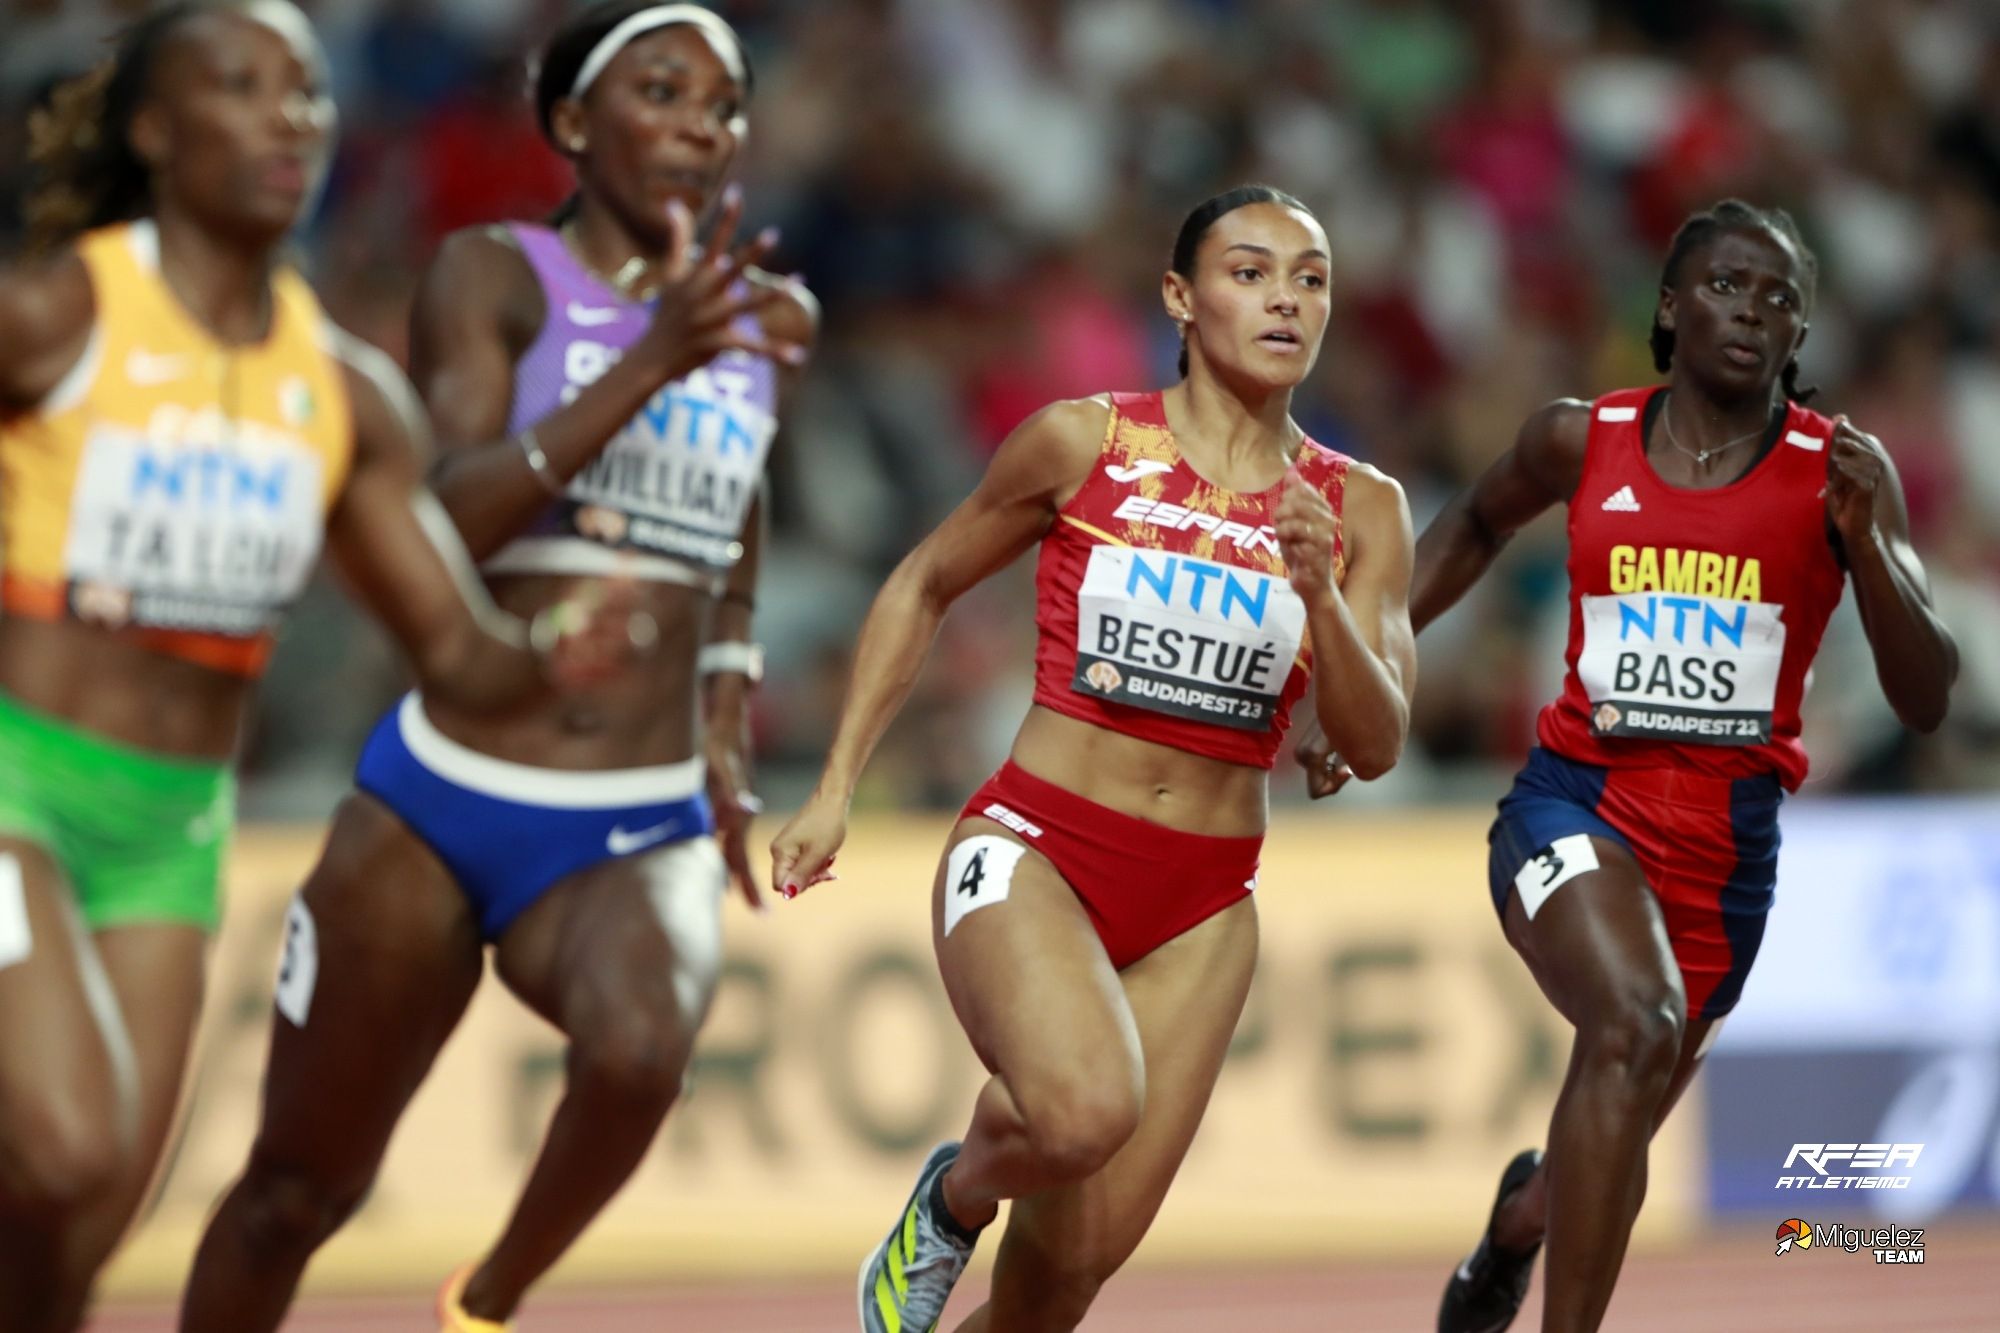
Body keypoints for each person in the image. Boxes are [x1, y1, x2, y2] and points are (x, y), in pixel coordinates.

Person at [0, 3, 646, 1329]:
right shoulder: (55, 313)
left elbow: (459, 655)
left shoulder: (341, 390)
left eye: (304, 91)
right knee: (61, 1146)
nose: (289, 116)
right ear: (155, 132)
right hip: (16, 795)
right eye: (238, 87)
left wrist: (552, 649)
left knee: (89, 1213)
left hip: (170, 834)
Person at [180, 5, 813, 1330]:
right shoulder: (496, 275)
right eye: (663, 90)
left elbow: (737, 503)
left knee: (642, 1052)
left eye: (726, 101)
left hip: (630, 818)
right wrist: (653, 362)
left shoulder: (760, 322)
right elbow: (448, 513)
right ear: (576, 126)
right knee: (293, 1193)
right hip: (444, 791)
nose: (705, 122)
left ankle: (487, 1298)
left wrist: (725, 699)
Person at [1297, 199, 1958, 1333]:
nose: (1748, 310)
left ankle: (1516, 1223)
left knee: (1597, 1137)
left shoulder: (1838, 470)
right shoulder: (1579, 436)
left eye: (1776, 296)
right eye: (1723, 285)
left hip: (1722, 857)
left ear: (1797, 334)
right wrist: (1366, 668)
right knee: (1634, 1021)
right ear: (1667, 305)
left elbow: (1928, 692)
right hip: (1569, 803)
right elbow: (1467, 526)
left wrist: (1868, 549)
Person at [770, 183, 1417, 1333]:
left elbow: (1373, 743)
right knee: (1075, 1114)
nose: (1283, 300)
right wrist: (833, 788)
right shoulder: (1085, 440)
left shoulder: (1357, 507)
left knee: (1060, 1284)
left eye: (1308, 279)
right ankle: (953, 1197)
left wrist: (1320, 595)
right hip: (1036, 851)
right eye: (1249, 272)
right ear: (1178, 296)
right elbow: (922, 580)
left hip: (1204, 904)